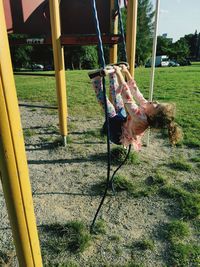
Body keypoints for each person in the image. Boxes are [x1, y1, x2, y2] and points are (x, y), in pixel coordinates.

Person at [89, 65, 183, 151]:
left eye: (157, 106)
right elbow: (136, 92)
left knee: (110, 110)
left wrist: (119, 73)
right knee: (119, 104)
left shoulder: (140, 119)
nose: (156, 102)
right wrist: (126, 72)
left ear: (152, 115)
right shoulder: (148, 108)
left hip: (117, 134)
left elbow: (128, 98)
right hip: (124, 124)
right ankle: (112, 76)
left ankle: (95, 80)